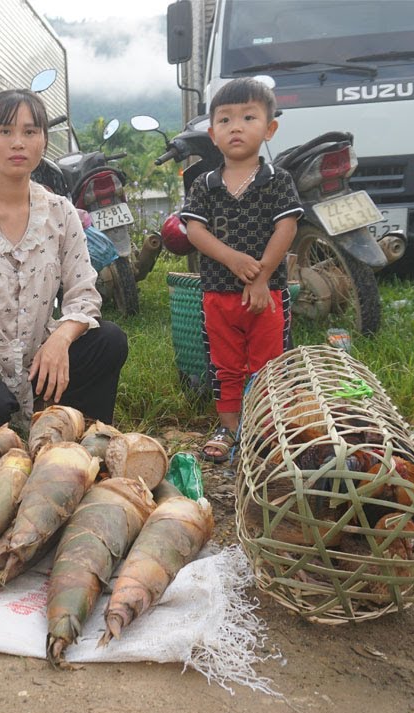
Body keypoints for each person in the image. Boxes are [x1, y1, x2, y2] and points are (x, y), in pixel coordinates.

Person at [0, 88, 129, 446]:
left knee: (109, 341)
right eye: (6, 131)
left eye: (30, 132)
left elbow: (83, 294)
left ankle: (74, 435)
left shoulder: (60, 212)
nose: (18, 143)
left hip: (37, 355)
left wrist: (60, 339)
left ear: (43, 141)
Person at [178, 77, 303, 463]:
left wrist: (262, 277)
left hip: (267, 295)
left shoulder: (277, 181)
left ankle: (267, 429)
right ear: (213, 134)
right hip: (218, 294)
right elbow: (195, 230)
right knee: (225, 364)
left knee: (268, 364)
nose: (236, 127)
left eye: (249, 118)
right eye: (225, 119)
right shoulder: (205, 184)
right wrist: (232, 259)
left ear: (269, 129)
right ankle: (230, 427)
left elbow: (286, 228)